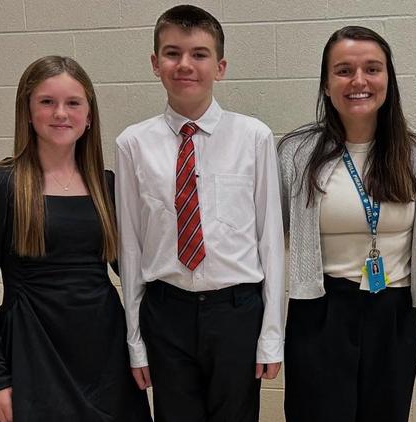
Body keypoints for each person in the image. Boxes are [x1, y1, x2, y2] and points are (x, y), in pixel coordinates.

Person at [115, 5, 285, 422]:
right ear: (156, 63)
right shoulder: (132, 144)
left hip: (237, 311)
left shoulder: (254, 136)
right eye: (172, 53)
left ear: (220, 66)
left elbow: (271, 241)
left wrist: (271, 336)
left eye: (199, 54)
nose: (185, 64)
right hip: (166, 311)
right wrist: (135, 341)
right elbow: (131, 248)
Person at [0, 56, 151, 422]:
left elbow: (134, 273)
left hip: (105, 355)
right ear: (28, 112)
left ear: (89, 114)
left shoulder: (107, 185)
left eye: (73, 103)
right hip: (32, 352)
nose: (60, 113)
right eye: (47, 102)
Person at [277, 25, 416, 422]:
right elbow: (269, 237)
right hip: (323, 312)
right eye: (343, 70)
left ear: (388, 81)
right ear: (326, 85)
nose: (359, 81)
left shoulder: (410, 152)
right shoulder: (296, 153)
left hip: (393, 312)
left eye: (372, 69)